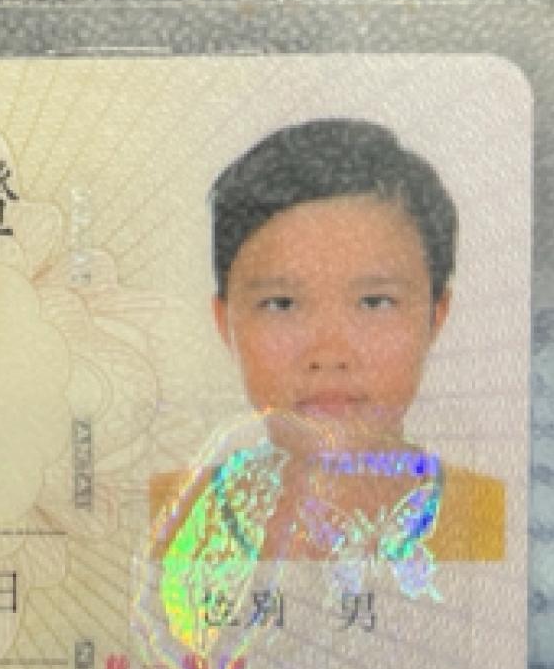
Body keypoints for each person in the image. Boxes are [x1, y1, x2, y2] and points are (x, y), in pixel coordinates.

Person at [149, 118, 504, 568]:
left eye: (374, 303)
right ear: (225, 323)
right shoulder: (164, 517)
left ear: (436, 316)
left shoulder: (494, 518)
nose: (329, 355)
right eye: (281, 304)